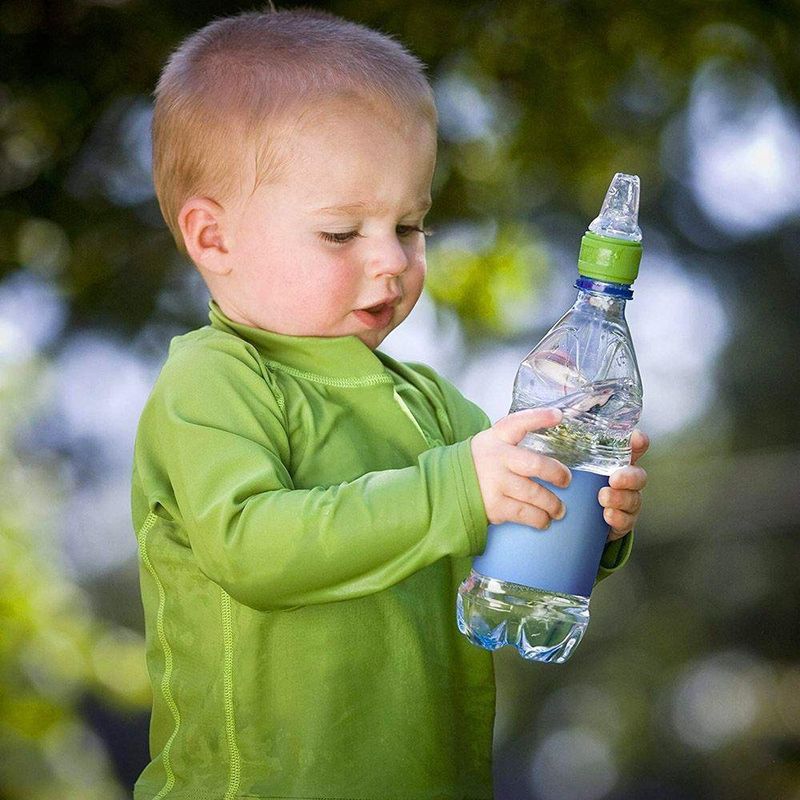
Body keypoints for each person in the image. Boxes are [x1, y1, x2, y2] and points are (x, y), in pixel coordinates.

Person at [131, 7, 649, 799]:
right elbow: (250, 547)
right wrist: (455, 487)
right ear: (213, 239)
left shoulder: (430, 405)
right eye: (342, 234)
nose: (391, 262)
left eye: (410, 225)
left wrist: (590, 514)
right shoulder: (214, 382)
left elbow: (506, 544)